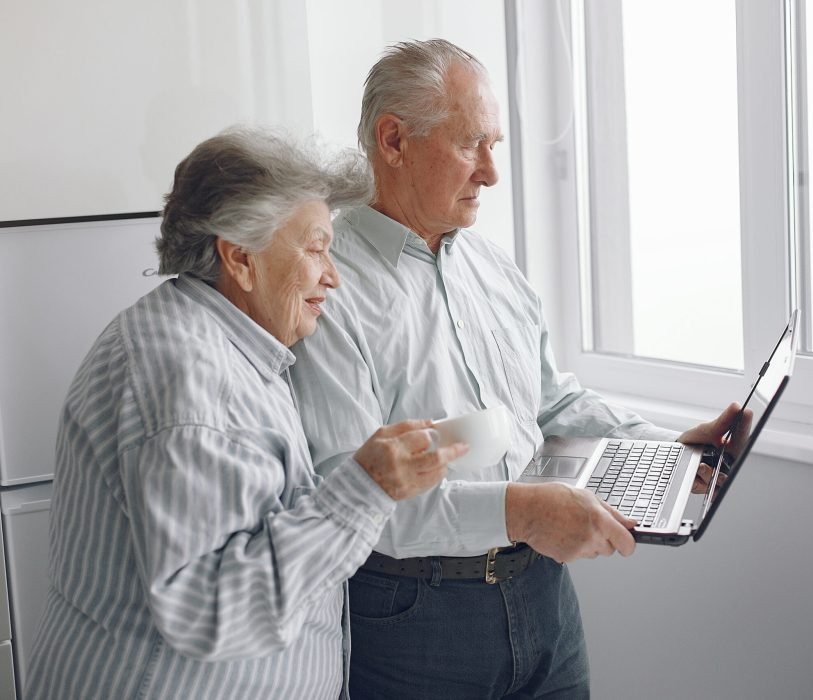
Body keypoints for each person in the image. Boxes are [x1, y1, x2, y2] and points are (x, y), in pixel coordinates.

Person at [290, 39, 741, 699]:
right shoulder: (324, 288)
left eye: (494, 145)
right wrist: (520, 513)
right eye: (471, 144)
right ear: (393, 140)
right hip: (415, 619)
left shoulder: (492, 265)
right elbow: (351, 499)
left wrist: (664, 447)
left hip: (545, 597)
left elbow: (551, 402)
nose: (491, 173)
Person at [25, 127, 467, 700]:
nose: (332, 275)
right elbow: (211, 610)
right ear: (240, 258)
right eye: (315, 249)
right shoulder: (191, 379)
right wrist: (365, 488)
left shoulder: (224, 343)